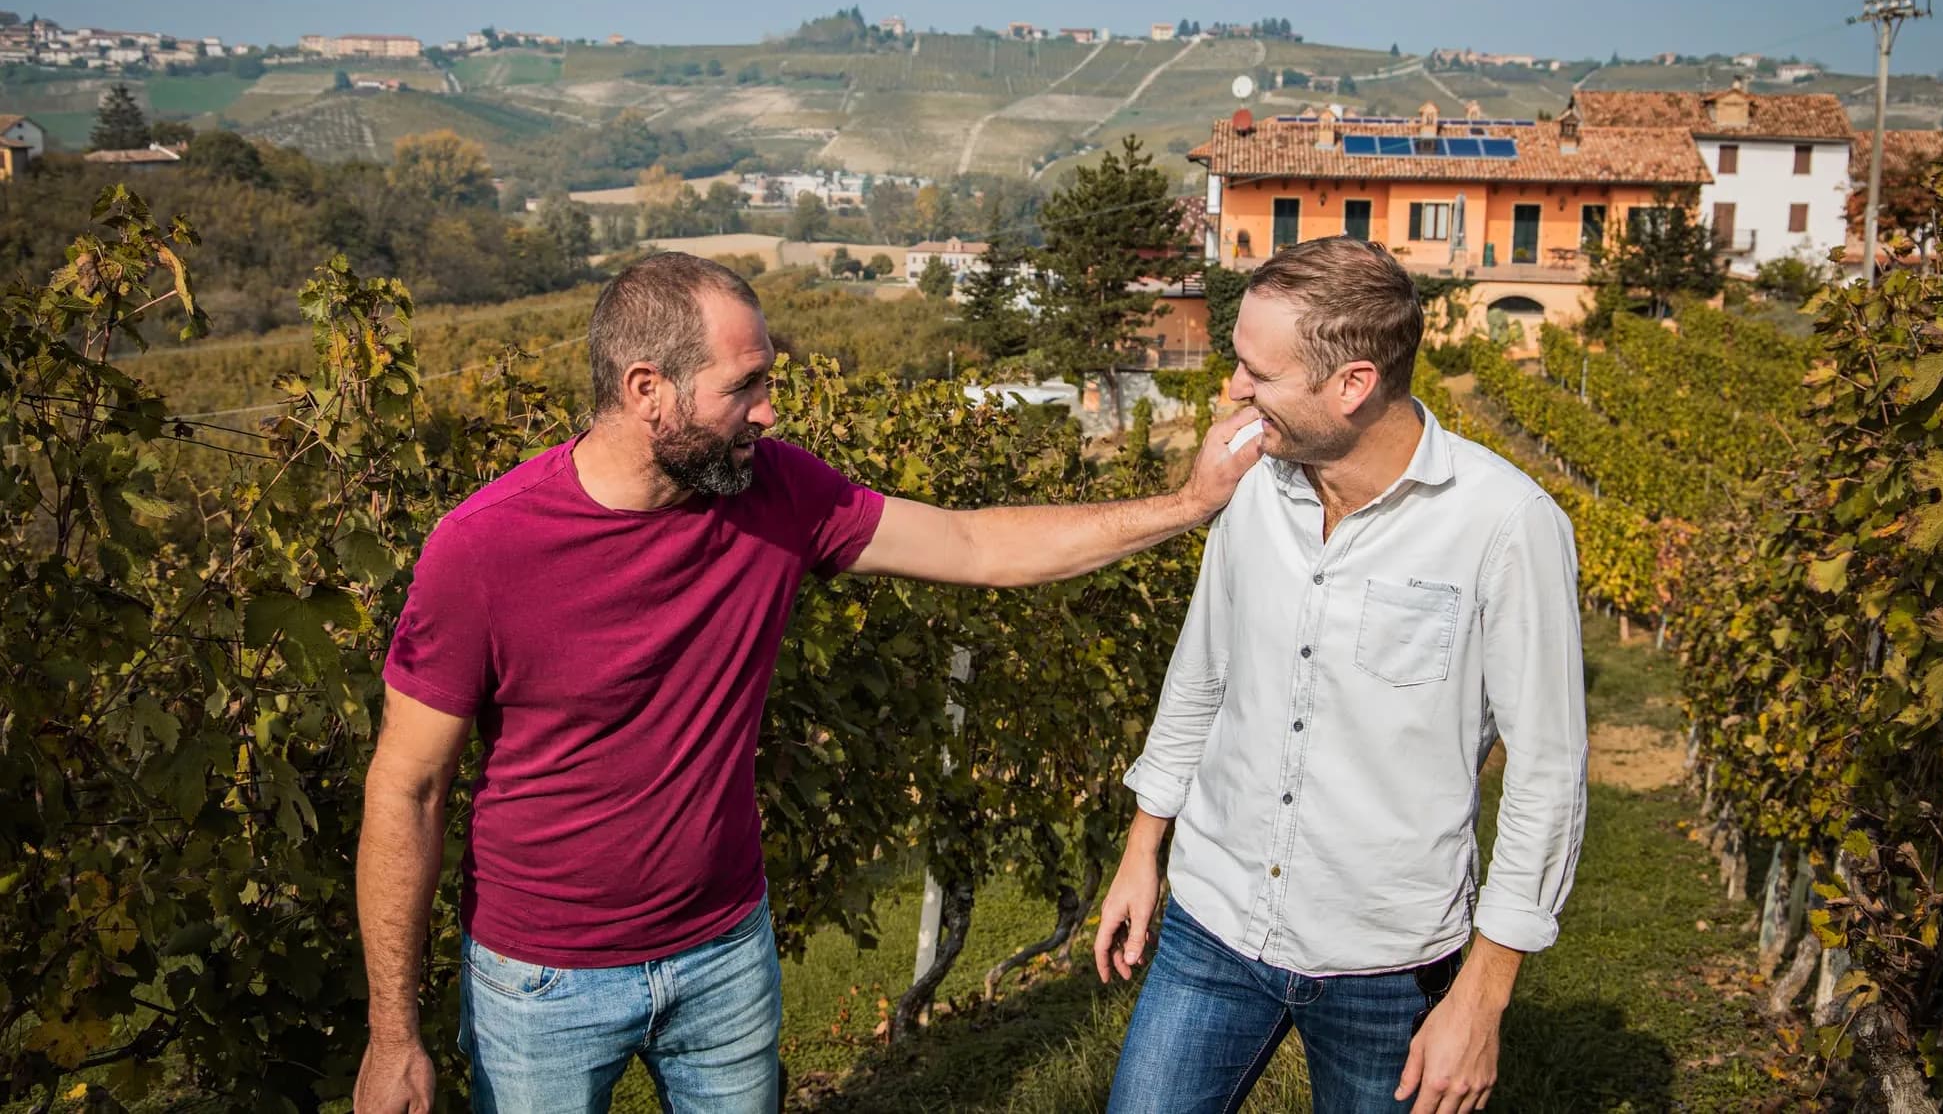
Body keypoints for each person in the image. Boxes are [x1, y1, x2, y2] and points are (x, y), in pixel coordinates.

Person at [351, 252, 1264, 1114]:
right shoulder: (484, 548)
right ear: (645, 391)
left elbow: (978, 546)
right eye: (742, 386)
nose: (767, 414)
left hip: (723, 954)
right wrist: (393, 1033)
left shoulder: (776, 494)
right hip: (542, 981)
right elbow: (409, 787)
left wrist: (1187, 505)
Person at [1094, 237, 1587, 1114]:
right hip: (1214, 922)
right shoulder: (1250, 485)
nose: (1233, 391)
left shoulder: (1507, 526)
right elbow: (1200, 673)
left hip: (1389, 963)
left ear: (1351, 384)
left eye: (1257, 372)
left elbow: (1548, 774)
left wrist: (1484, 993)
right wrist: (1143, 850)